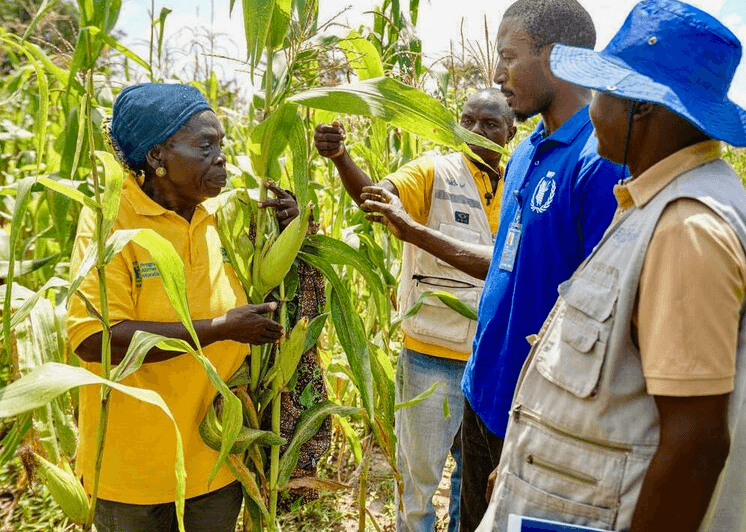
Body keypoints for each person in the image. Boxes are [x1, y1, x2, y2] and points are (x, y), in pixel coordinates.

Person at [478, 0, 746, 532]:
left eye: (605, 94)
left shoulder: (688, 228)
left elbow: (696, 442)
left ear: (646, 109)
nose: (593, 110)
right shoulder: (660, 200)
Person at [67, 83, 296, 532]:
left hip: (218, 456)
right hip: (133, 474)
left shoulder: (225, 216)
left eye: (222, 145)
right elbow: (94, 340)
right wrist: (219, 328)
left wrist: (292, 231)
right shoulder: (110, 222)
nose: (222, 158)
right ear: (157, 158)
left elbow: (277, 291)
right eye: (205, 146)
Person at [446, 0, 621, 532]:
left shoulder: (600, 161)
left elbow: (604, 322)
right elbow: (511, 264)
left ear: (558, 55)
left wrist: (539, 438)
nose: (498, 73)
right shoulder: (524, 150)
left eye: (509, 56)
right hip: (483, 393)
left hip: (540, 420)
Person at [314, 88, 517, 532]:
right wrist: (342, 158)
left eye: (489, 124)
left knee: (475, 481)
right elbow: (376, 196)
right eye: (467, 120)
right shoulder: (433, 169)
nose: (475, 131)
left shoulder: (520, 180)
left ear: (511, 131)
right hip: (432, 353)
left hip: (491, 362)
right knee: (419, 484)